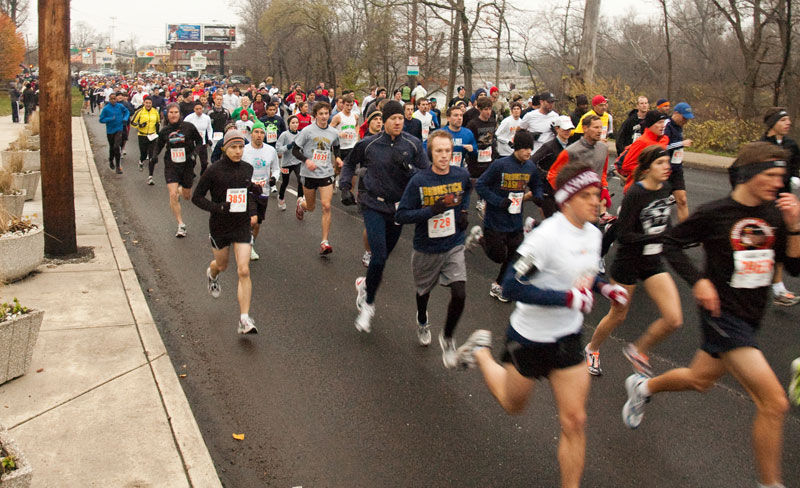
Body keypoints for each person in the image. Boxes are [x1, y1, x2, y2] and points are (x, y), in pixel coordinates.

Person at [622, 142, 800, 488]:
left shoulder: (776, 216)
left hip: (750, 315)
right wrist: (698, 282)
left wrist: (794, 226)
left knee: (700, 379)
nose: (778, 184)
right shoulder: (716, 212)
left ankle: (644, 388)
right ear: (748, 175)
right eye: (772, 175)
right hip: (722, 314)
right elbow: (671, 243)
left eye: (783, 176)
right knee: (774, 402)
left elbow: (793, 266)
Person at [456, 162, 628, 488]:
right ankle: (480, 352)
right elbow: (511, 285)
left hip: (567, 339)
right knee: (512, 405)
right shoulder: (544, 238)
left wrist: (605, 288)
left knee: (575, 421)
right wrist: (567, 299)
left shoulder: (593, 234)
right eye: (589, 195)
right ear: (567, 198)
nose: (598, 202)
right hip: (529, 338)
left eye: (599, 195)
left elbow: (587, 274)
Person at [585, 146, 683, 376]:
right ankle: (592, 348)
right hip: (628, 262)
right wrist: (655, 237)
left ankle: (638, 350)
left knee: (674, 318)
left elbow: (664, 224)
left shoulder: (665, 188)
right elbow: (623, 234)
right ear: (647, 169)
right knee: (618, 315)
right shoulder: (635, 194)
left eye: (668, 162)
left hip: (652, 262)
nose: (667, 166)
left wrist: (673, 237)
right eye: (660, 163)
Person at [339, 100, 429, 332]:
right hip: (373, 204)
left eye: (400, 118)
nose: (398, 122)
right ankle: (368, 305)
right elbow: (349, 164)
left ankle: (364, 284)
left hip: (399, 209)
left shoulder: (413, 144)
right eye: (393, 118)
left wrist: (408, 168)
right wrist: (345, 185)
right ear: (384, 121)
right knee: (378, 256)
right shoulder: (369, 144)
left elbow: (426, 175)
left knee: (383, 258)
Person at [395, 131, 471, 365]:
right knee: (423, 293)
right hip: (426, 248)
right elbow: (401, 215)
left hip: (453, 245)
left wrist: (464, 213)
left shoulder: (460, 175)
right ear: (431, 153)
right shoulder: (419, 181)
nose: (444, 156)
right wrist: (430, 211)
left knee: (460, 293)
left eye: (447, 151)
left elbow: (467, 190)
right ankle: (422, 319)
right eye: (439, 151)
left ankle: (447, 337)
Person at [192, 130, 261, 335]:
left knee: (244, 270)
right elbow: (197, 197)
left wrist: (254, 198)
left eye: (241, 147)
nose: (238, 151)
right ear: (224, 148)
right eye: (233, 147)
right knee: (222, 265)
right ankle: (212, 274)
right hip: (220, 225)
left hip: (241, 224)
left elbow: (248, 193)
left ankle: (244, 319)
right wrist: (218, 207)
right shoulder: (213, 170)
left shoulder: (247, 169)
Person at [466, 130, 542, 302]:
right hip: (495, 219)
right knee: (498, 256)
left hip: (515, 220)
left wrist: (537, 194)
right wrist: (498, 201)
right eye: (525, 148)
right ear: (516, 148)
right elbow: (481, 186)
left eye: (530, 148)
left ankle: (499, 285)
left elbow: (537, 183)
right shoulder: (500, 165)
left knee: (514, 255)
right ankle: (479, 237)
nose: (529, 152)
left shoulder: (530, 167)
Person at [292, 101, 344, 254]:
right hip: (309, 174)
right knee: (311, 207)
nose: (324, 116)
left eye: (326, 113)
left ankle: (324, 242)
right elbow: (295, 150)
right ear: (315, 115)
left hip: (326, 173)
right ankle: (301, 204)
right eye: (320, 114)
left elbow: (337, 147)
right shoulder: (307, 131)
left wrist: (338, 158)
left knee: (327, 206)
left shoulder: (333, 132)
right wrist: (306, 160)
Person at [761, 106, 800, 306]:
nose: (788, 123)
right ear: (773, 123)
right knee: (758, 242)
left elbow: (795, 166)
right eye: (784, 120)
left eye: (789, 121)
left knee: (782, 241)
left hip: (783, 201)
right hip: (761, 203)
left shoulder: (791, 145)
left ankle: (778, 288)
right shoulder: (759, 146)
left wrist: (795, 177)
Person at [153, 103, 204, 237]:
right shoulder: (165, 131)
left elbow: (199, 141)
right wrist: (154, 156)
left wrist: (194, 154)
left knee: (186, 196)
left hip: (187, 164)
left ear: (179, 114)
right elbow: (158, 146)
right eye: (171, 112)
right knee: (172, 194)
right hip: (171, 164)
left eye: (176, 112)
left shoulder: (188, 127)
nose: (173, 115)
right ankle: (181, 225)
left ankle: (181, 191)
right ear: (167, 114)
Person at [547, 115, 611, 213]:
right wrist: (567, 195)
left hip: (593, 204)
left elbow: (602, 171)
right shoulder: (571, 151)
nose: (599, 131)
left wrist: (604, 187)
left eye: (601, 127)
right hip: (574, 206)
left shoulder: (604, 148)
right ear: (585, 128)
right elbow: (553, 175)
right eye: (595, 127)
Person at [242, 121, 280, 261]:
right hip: (248, 190)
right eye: (256, 132)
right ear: (251, 134)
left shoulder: (271, 151)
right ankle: (246, 241)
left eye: (262, 132)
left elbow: (276, 168)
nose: (259, 135)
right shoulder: (244, 150)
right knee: (253, 220)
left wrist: (274, 178)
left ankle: (250, 245)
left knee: (257, 223)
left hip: (263, 191)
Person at [532, 115, 574, 219]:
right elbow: (532, 162)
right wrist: (546, 175)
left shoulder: (571, 147)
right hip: (547, 191)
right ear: (557, 129)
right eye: (565, 129)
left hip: (562, 190)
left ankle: (534, 225)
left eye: (569, 129)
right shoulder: (549, 147)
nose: (567, 131)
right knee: (552, 221)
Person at [618, 111, 669, 193]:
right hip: (637, 190)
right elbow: (626, 165)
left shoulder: (664, 140)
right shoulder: (642, 142)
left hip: (655, 188)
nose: (663, 126)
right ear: (650, 124)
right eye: (659, 122)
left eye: (664, 122)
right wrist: (648, 171)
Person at [664, 102, 695, 222]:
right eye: (684, 117)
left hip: (676, 169)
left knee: (682, 200)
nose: (686, 121)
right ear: (676, 113)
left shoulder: (679, 126)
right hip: (664, 169)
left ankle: (684, 234)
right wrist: (681, 144)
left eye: (688, 118)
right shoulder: (666, 125)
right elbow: (662, 146)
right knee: (657, 203)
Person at [427, 105, 477, 169]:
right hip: (441, 170)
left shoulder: (468, 133)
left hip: (459, 170)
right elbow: (426, 150)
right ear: (448, 118)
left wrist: (472, 149)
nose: (459, 118)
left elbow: (475, 152)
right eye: (456, 115)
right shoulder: (439, 133)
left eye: (461, 115)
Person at [276, 115, 304, 210]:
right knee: (285, 182)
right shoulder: (284, 135)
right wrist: (288, 146)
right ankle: (281, 198)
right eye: (293, 123)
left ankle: (299, 200)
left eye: (297, 123)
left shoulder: (301, 134)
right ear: (289, 124)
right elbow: (278, 149)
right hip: (286, 163)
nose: (295, 125)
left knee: (301, 179)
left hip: (297, 162)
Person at [130, 96, 161, 183]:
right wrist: (139, 125)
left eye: (149, 103)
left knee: (152, 156)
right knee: (143, 154)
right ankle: (141, 161)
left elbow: (158, 122)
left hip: (152, 136)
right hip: (142, 135)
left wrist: (158, 133)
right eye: (146, 103)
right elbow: (132, 122)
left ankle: (150, 176)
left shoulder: (155, 112)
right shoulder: (139, 111)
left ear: (152, 104)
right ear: (144, 103)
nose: (148, 105)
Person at [98, 92, 130, 174]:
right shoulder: (106, 108)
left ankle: (118, 166)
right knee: (112, 147)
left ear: (116, 99)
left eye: (114, 98)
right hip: (110, 130)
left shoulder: (120, 106)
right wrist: (109, 118)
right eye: (111, 99)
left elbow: (127, 112)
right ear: (109, 99)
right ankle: (111, 160)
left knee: (116, 147)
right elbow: (101, 119)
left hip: (119, 129)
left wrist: (125, 118)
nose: (113, 100)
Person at [184, 101, 214, 175]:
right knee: (192, 161)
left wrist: (210, 138)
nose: (199, 111)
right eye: (197, 109)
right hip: (192, 143)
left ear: (203, 108)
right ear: (194, 109)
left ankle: (203, 174)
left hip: (202, 143)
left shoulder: (206, 118)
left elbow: (210, 129)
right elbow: (183, 128)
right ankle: (191, 173)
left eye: (200, 109)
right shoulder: (189, 118)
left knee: (204, 163)